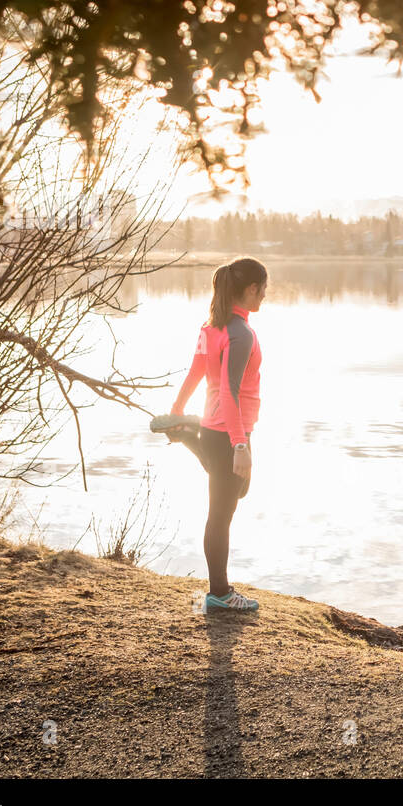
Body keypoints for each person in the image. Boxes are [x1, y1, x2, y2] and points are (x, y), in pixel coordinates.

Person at [157, 257, 268, 613]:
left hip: (214, 428)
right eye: (263, 288)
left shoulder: (212, 328)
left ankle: (190, 434)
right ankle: (219, 594)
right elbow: (230, 391)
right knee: (221, 514)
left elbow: (194, 373)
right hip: (229, 430)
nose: (265, 295)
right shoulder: (241, 334)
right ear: (251, 288)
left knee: (240, 487)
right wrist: (239, 444)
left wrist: (176, 410)